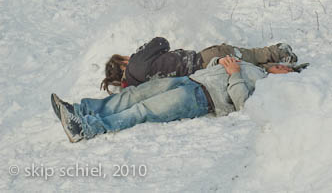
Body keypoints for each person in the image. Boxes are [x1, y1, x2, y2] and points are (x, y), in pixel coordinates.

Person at [51, 56, 302, 143]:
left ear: (287, 77)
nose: (281, 67)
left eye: (286, 70)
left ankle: (87, 128)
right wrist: (220, 62)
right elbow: (216, 67)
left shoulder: (266, 85)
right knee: (134, 94)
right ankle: (82, 109)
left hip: (200, 98)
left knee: (143, 109)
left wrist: (234, 74)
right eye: (284, 66)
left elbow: (242, 103)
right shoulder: (257, 68)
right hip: (190, 80)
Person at [100, 37, 298, 92]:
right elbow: (161, 42)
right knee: (252, 55)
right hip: (203, 60)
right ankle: (281, 51)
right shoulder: (136, 61)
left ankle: (278, 70)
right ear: (123, 62)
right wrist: (140, 51)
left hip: (205, 79)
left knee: (249, 70)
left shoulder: (135, 86)